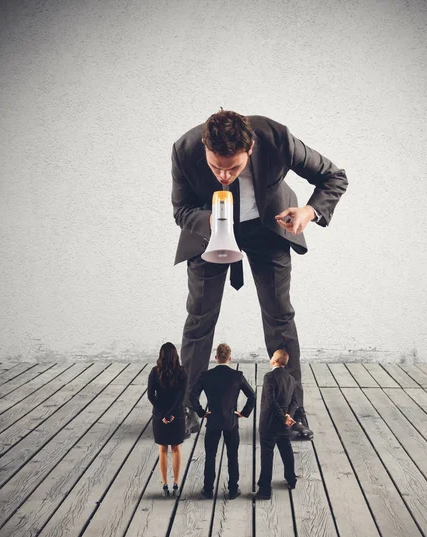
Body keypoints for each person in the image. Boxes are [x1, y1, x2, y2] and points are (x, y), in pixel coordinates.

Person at [171, 110, 348, 440]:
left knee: (280, 315)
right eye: (215, 166)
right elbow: (181, 210)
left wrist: (308, 212)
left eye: (234, 167)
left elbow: (334, 177)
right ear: (204, 149)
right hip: (210, 231)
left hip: (269, 227)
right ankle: (188, 407)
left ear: (250, 148)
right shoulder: (184, 149)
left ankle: (292, 411)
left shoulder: (276, 138)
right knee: (199, 318)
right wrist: (211, 220)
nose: (224, 175)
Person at [189, 343, 256, 500]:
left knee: (210, 456)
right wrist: (243, 413)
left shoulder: (206, 376)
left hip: (212, 420)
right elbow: (252, 396)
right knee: (232, 456)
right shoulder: (237, 376)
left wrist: (201, 412)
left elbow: (192, 396)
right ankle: (233, 489)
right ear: (230, 358)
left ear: (216, 357)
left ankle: (208, 489)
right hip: (231, 421)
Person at [255, 349, 298, 500]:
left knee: (267, 454)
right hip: (284, 423)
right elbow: (294, 401)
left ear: (275, 360)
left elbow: (271, 401)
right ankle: (291, 479)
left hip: (269, 422)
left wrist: (282, 417)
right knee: (286, 451)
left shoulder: (269, 377)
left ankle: (265, 489)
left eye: (273, 355)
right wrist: (288, 416)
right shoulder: (291, 379)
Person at [147, 342, 187, 497]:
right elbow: (181, 396)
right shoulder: (182, 372)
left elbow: (151, 395)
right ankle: (176, 484)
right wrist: (171, 413)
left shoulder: (154, 372)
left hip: (159, 416)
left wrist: (163, 413)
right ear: (175, 355)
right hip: (177, 415)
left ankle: (165, 485)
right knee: (176, 448)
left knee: (163, 449)